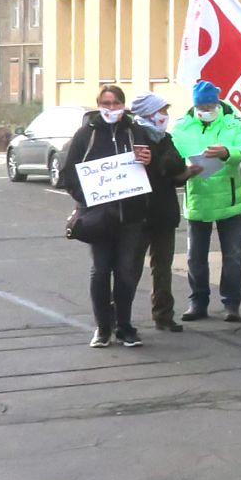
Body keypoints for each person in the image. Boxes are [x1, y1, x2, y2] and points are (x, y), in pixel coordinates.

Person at [56, 85, 155, 348]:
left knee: (126, 272)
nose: (111, 109)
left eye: (115, 103)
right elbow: (68, 173)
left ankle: (124, 325)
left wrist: (148, 160)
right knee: (100, 271)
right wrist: (88, 199)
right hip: (99, 217)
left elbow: (153, 171)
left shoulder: (135, 131)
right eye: (106, 103)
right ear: (98, 105)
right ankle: (102, 327)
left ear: (123, 105)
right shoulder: (85, 135)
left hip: (131, 215)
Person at [169, 80, 241, 322]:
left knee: (233, 254)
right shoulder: (182, 126)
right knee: (195, 255)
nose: (206, 108)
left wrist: (227, 153)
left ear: (218, 102)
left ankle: (231, 303)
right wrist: (184, 168)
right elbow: (173, 156)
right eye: (202, 105)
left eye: (210, 104)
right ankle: (198, 301)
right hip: (198, 195)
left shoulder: (234, 122)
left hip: (230, 196)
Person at [128, 92, 188, 333]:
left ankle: (163, 314)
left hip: (164, 212)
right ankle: (119, 316)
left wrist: (187, 171)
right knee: (130, 267)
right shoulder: (133, 137)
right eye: (161, 111)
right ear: (149, 113)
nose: (165, 116)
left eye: (165, 111)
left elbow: (175, 169)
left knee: (162, 266)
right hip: (139, 213)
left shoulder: (165, 138)